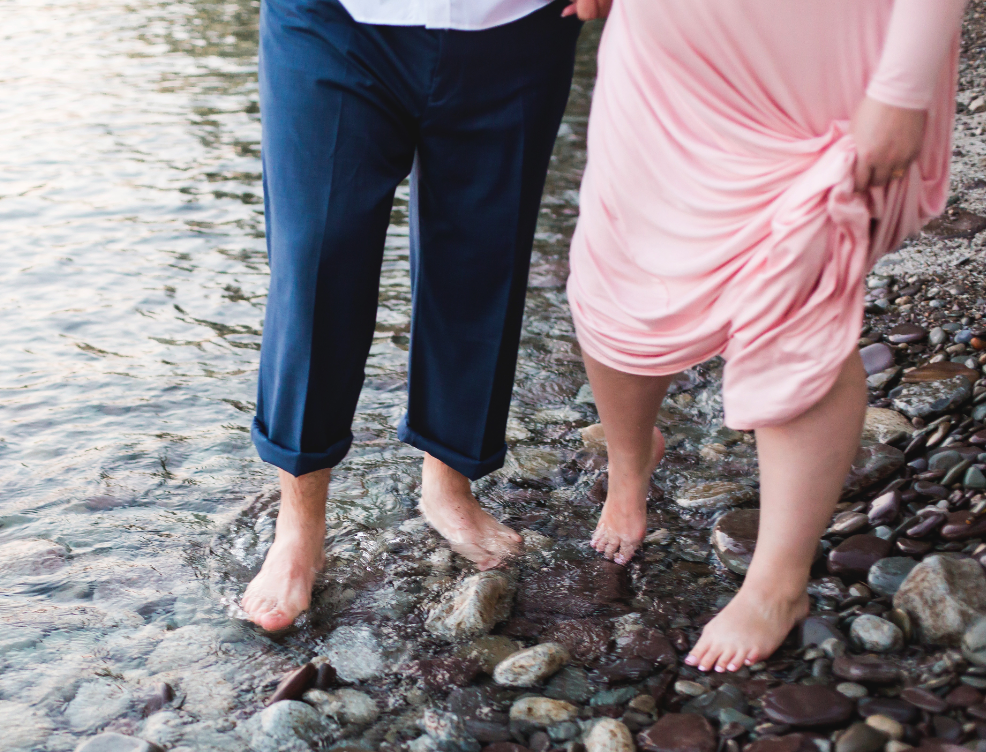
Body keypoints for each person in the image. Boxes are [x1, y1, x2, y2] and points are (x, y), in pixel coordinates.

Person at [567, 0, 966, 671]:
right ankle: (630, 463)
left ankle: (778, 585)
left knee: (799, 307)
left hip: (810, 77)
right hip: (664, 62)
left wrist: (902, 87)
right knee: (612, 286)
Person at [239, 0, 594, 630]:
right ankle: (297, 525)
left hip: (516, 24)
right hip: (333, 20)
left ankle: (449, 485)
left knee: (484, 252)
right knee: (317, 257)